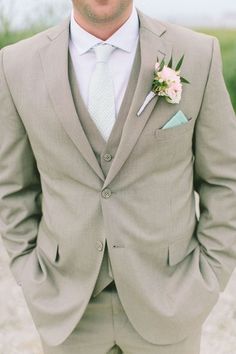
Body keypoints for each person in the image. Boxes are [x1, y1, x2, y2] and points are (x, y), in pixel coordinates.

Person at [0, 0, 236, 353]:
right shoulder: (14, 65)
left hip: (170, 302)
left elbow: (225, 178)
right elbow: (13, 186)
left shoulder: (197, 54)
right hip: (67, 309)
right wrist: (30, 273)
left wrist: (209, 274)